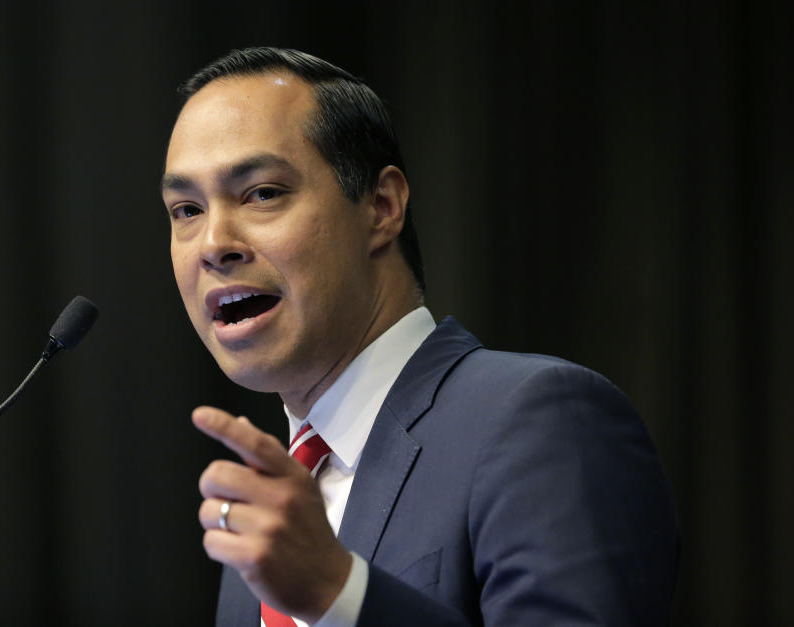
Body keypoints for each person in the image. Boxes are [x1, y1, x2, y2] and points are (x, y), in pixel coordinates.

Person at [161, 47, 678, 627]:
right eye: (185, 209)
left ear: (381, 206)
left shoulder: (539, 420)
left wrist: (340, 593)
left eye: (262, 193)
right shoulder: (266, 520)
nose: (212, 243)